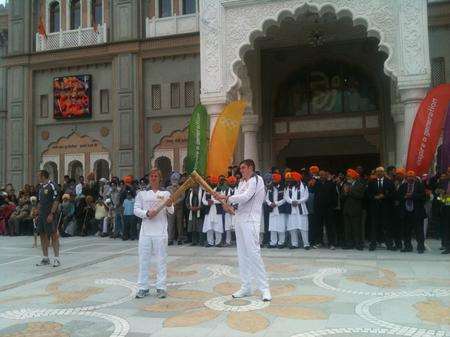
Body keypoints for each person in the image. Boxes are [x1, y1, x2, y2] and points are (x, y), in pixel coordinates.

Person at [215, 159, 271, 302]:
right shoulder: (241, 183)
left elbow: (246, 197)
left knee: (254, 254)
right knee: (242, 254)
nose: (242, 170)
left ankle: (264, 289)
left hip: (251, 221)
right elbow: (238, 204)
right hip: (239, 220)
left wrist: (226, 197)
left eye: (244, 168)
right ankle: (246, 286)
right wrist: (228, 206)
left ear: (251, 167)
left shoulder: (257, 180)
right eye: (241, 168)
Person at [134, 168, 173, 299]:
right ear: (149, 178)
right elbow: (136, 210)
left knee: (161, 260)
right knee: (143, 260)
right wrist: (146, 213)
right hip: (145, 232)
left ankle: (161, 287)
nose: (153, 178)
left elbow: (171, 211)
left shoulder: (166, 193)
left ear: (160, 178)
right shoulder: (142, 194)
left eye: (156, 176)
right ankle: (143, 287)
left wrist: (169, 204)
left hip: (160, 232)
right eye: (151, 176)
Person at [36, 170, 61, 267]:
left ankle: (57, 259)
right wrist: (36, 211)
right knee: (42, 235)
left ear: (43, 176)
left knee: (54, 235)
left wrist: (51, 213)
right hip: (41, 215)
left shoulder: (53, 186)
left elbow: (56, 201)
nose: (38, 177)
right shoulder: (40, 187)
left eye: (39, 176)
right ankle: (45, 258)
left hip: (50, 215)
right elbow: (40, 201)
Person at [367, 167, 395, 251]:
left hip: (386, 209)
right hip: (375, 208)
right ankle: (373, 245)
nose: (379, 173)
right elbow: (368, 194)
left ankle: (389, 244)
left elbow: (393, 194)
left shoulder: (389, 182)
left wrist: (384, 196)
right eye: (378, 172)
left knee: (386, 227)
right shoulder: (371, 182)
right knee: (374, 227)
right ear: (376, 173)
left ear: (384, 173)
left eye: (381, 171)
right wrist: (374, 197)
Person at [398, 170, 426, 253]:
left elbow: (424, 197)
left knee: (419, 231)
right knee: (406, 231)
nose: (410, 178)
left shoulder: (420, 185)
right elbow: (398, 197)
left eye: (412, 176)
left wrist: (412, 195)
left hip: (417, 212)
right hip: (406, 212)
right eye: (409, 176)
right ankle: (407, 246)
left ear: (415, 177)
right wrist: (405, 196)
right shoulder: (403, 186)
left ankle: (420, 247)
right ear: (406, 177)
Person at [341, 169, 366, 250]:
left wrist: (349, 191)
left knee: (356, 228)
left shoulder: (360, 184)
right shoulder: (345, 184)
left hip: (356, 210)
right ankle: (349, 244)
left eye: (349, 176)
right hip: (347, 210)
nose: (347, 177)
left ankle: (358, 244)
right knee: (347, 229)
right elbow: (342, 197)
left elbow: (360, 196)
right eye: (347, 176)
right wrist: (344, 193)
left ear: (354, 177)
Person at [284, 172, 310, 249]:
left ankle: (306, 244)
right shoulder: (288, 187)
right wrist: (292, 201)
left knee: (303, 227)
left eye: (292, 179)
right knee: (292, 227)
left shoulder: (304, 186)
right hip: (292, 210)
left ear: (296, 179)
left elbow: (306, 196)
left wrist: (298, 202)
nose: (291, 180)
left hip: (301, 209)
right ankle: (294, 244)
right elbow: (286, 197)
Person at [266, 173, 286, 248]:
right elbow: (266, 198)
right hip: (272, 209)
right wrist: (270, 203)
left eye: (275, 179)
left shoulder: (283, 187)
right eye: (273, 179)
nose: (273, 180)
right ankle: (273, 242)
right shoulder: (270, 188)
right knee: (272, 227)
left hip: (280, 209)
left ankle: (281, 242)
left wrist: (276, 203)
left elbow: (285, 198)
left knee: (281, 226)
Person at [167, 172, 185, 245]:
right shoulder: (168, 188)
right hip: (170, 209)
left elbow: (182, 197)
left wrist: (175, 202)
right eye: (173, 179)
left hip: (179, 208)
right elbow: (166, 197)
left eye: (176, 179)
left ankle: (180, 239)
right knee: (170, 224)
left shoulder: (181, 188)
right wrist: (171, 202)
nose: (174, 180)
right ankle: (170, 239)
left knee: (179, 225)